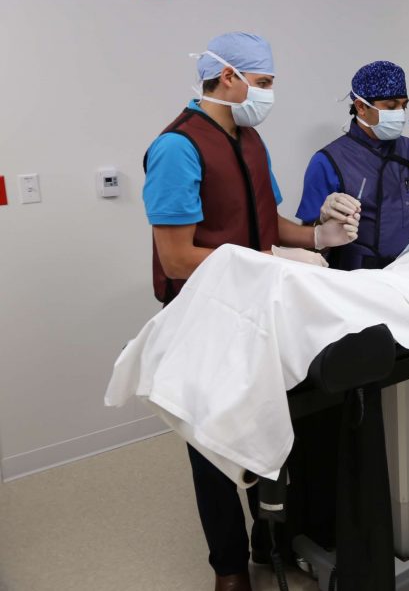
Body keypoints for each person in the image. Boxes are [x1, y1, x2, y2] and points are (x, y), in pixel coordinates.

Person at [142, 32, 357, 591]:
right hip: (203, 312)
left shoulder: (251, 139)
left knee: (271, 421)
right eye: (262, 83)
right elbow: (176, 256)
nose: (267, 95)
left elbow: (268, 222)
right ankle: (230, 568)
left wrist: (318, 235)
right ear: (228, 76)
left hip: (257, 306)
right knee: (214, 444)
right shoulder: (177, 148)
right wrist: (264, 264)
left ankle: (272, 538)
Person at [296, 61, 409, 269]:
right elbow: (310, 244)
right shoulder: (329, 161)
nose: (400, 113)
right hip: (354, 277)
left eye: (403, 105)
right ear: (361, 107)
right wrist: (322, 224)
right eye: (391, 106)